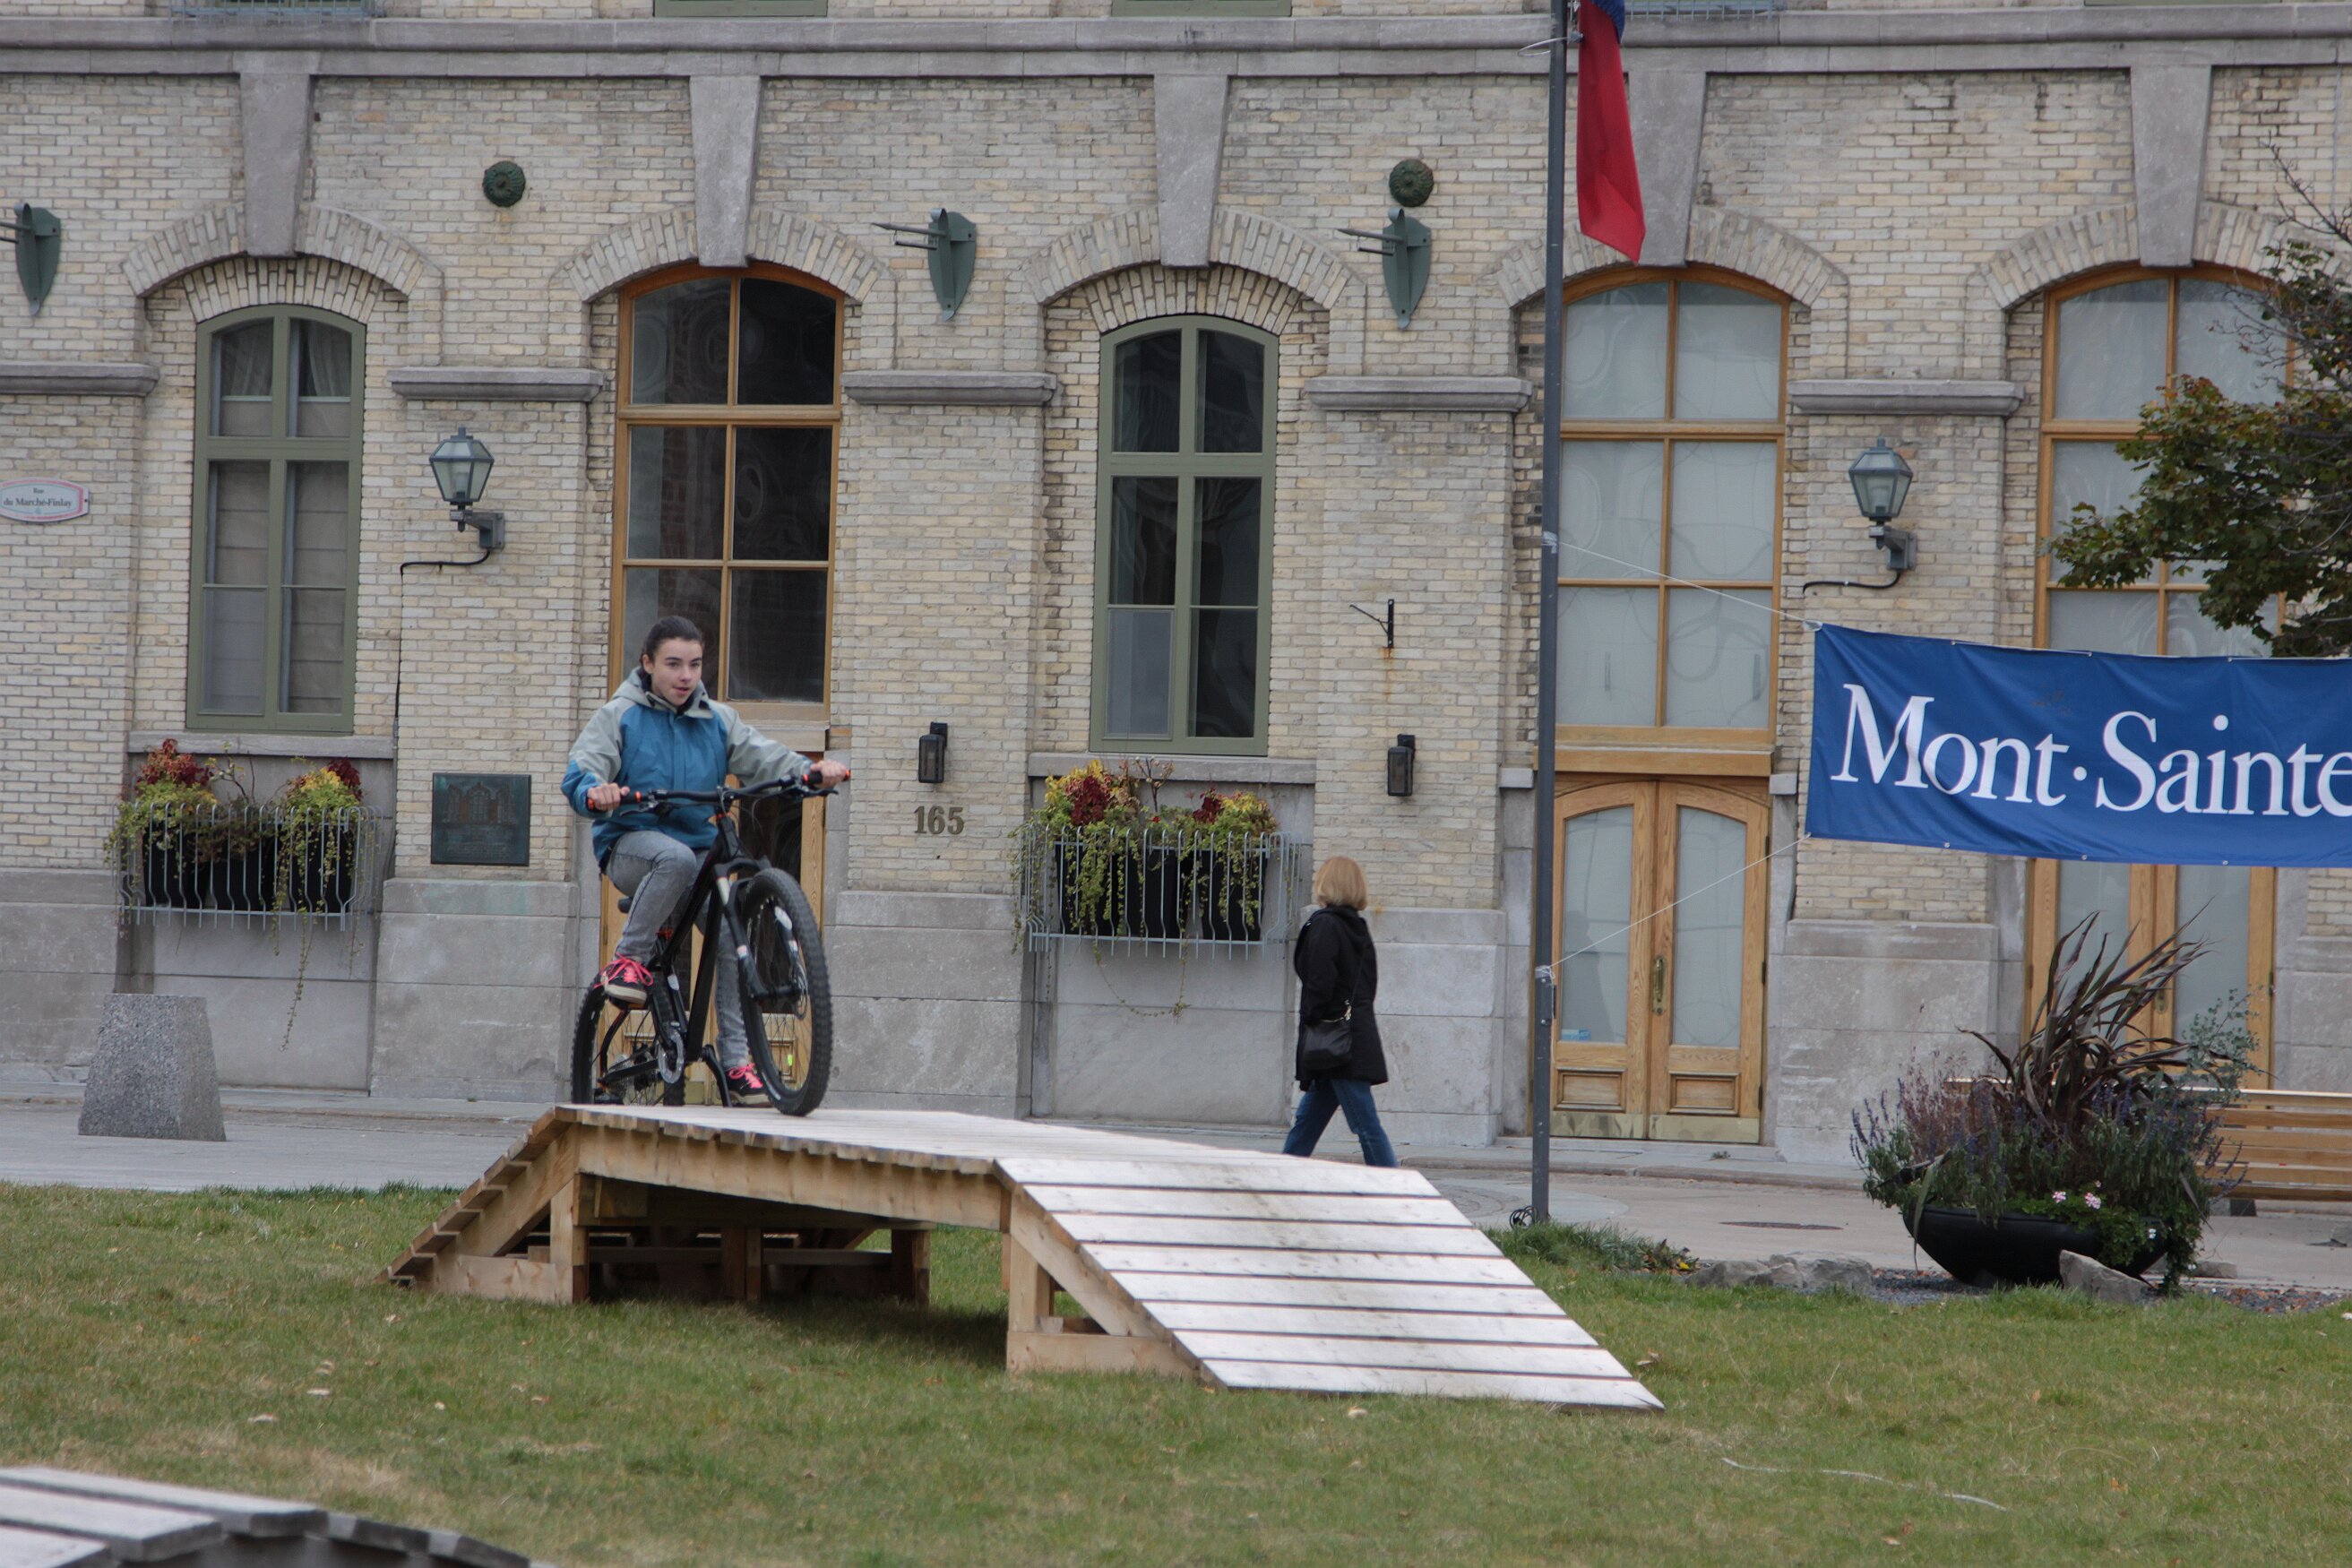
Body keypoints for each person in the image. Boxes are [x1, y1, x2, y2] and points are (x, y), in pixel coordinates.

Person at [562, 616, 850, 1103]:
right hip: (632, 843)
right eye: (673, 664)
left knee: (732, 931)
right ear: (648, 663)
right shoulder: (619, 715)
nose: (685, 676)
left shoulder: (717, 719)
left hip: (696, 851)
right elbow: (583, 770)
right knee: (674, 858)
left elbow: (764, 756)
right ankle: (628, 960)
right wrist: (596, 791)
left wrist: (810, 771)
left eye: (694, 665)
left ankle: (738, 1064)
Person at [1280, 855, 1397, 1167]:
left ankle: (1394, 1185)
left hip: (1336, 1045)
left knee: (1366, 1126)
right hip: (1348, 1039)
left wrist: (1312, 1019)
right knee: (1308, 1122)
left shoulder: (1326, 925)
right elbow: (1367, 985)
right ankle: (1282, 1175)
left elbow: (1320, 984)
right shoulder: (1356, 927)